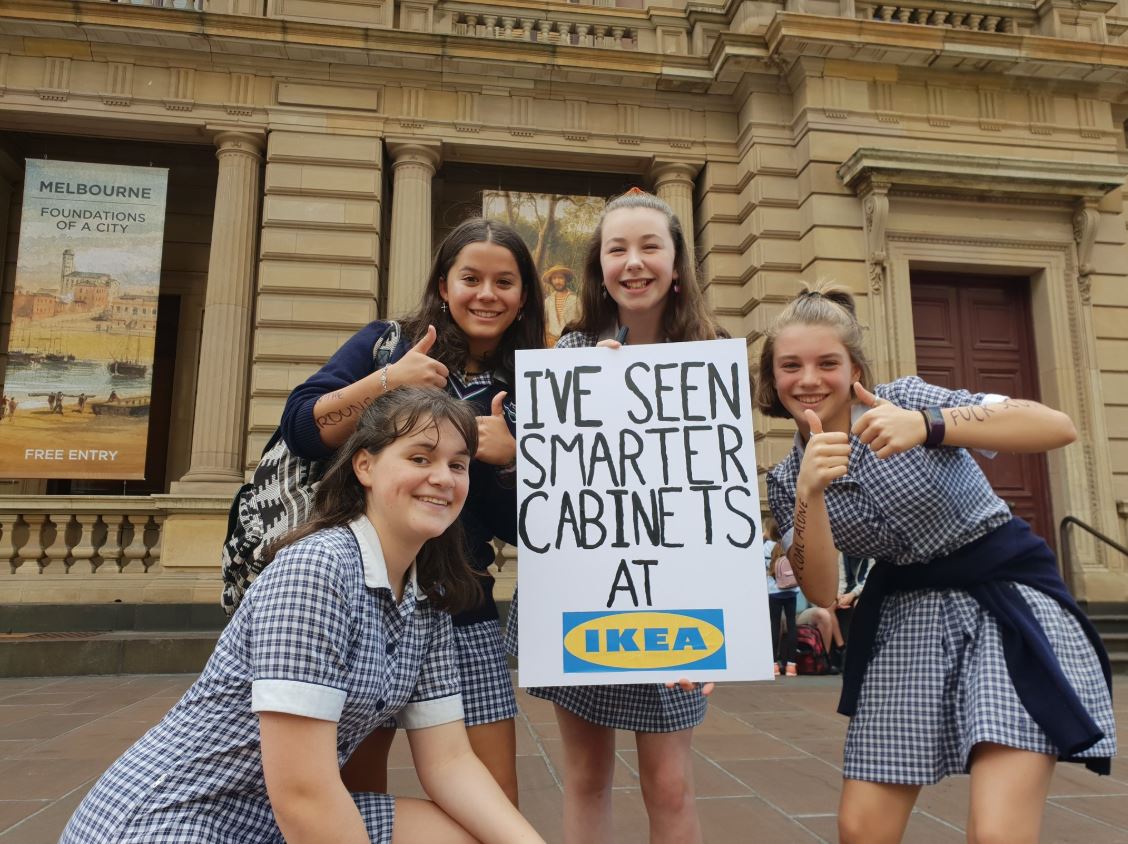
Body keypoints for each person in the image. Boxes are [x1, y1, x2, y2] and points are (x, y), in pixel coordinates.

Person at [62, 388, 544, 844]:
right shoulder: (317, 569)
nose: (443, 478)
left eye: (458, 464)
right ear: (365, 466)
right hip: (174, 817)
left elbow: (450, 762)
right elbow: (304, 797)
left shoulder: (427, 592)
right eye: (420, 458)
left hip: (268, 815)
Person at [756, 281, 1116, 844]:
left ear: (854, 370)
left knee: (998, 833)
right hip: (907, 621)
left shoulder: (907, 399)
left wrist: (930, 423)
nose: (808, 379)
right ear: (772, 379)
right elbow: (821, 591)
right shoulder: (785, 480)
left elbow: (1055, 425)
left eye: (827, 363)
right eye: (790, 366)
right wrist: (810, 495)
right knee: (861, 830)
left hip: (1005, 605)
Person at [279, 217, 545, 805]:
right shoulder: (390, 344)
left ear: (524, 295)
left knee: (494, 792)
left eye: (504, 282)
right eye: (470, 278)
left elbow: (530, 528)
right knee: (356, 787)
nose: (486, 294)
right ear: (444, 285)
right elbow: (301, 427)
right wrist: (386, 382)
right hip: (370, 601)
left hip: (463, 602)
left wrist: (513, 459)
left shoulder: (536, 382)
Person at [507, 189, 723, 844]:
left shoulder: (708, 358)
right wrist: (585, 399)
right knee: (587, 777)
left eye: (650, 246)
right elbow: (540, 482)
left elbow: (713, 497)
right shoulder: (569, 355)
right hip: (583, 597)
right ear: (599, 268)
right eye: (616, 249)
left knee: (670, 783)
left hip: (677, 597)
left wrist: (727, 623)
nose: (633, 262)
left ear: (676, 263)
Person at [764, 519, 799, 677]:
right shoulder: (790, 545)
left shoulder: (765, 547)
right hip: (791, 590)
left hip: (773, 592)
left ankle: (774, 665)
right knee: (792, 625)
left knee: (774, 625)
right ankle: (791, 666)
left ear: (768, 532)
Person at [541, 264, 580, 347]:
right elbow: (544, 323)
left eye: (560, 278)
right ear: (551, 281)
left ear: (566, 279)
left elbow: (582, 323)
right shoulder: (547, 301)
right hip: (552, 345)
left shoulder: (576, 300)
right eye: (554, 278)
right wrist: (547, 338)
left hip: (572, 343)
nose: (557, 281)